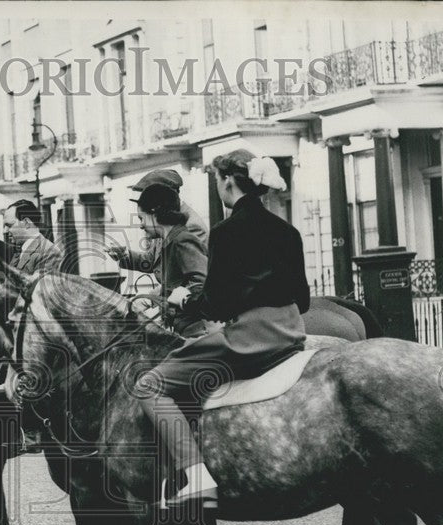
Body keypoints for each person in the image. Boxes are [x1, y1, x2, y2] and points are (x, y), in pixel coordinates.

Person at [139, 149, 310, 506]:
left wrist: (182, 300)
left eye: (217, 180)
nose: (218, 186)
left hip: (252, 338)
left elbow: (215, 305)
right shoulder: (287, 230)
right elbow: (304, 299)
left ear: (228, 181)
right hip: (293, 331)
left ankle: (197, 475)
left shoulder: (226, 232)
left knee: (149, 386)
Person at [131, 183, 213, 338]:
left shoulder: (182, 240)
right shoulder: (169, 241)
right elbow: (175, 285)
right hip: (182, 328)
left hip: (195, 331)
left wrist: (179, 301)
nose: (141, 225)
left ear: (154, 213)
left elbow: (202, 284)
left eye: (141, 218)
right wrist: (152, 300)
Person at [107, 168, 209, 272]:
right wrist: (123, 256)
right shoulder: (164, 221)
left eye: (149, 194)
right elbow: (153, 261)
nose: (144, 199)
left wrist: (173, 289)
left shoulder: (190, 226)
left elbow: (198, 279)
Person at [2, 199, 64, 273]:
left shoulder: (48, 253)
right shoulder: (20, 250)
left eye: (9, 225)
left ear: (26, 223)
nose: (5, 230)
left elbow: (40, 284)